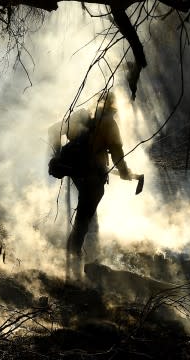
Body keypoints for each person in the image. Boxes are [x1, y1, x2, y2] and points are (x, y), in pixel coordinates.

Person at [48, 91, 142, 275]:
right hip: (92, 176)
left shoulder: (82, 117)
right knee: (83, 220)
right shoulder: (108, 123)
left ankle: (80, 254)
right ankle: (72, 263)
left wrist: (58, 155)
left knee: (86, 212)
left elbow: (53, 130)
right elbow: (116, 152)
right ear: (113, 107)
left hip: (77, 173)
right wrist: (124, 172)